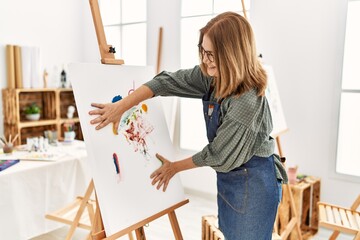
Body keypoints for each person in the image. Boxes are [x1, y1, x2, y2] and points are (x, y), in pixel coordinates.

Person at [89, 11, 288, 240]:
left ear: (232, 54)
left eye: (211, 54)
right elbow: (166, 82)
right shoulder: (213, 76)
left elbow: (219, 155)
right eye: (203, 51)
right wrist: (121, 106)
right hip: (232, 176)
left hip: (253, 183)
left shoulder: (246, 101)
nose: (205, 60)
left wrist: (174, 167)